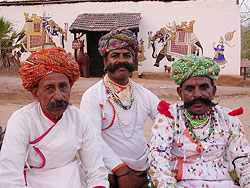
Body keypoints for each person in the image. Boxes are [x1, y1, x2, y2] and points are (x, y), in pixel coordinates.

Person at [0, 47, 108, 188]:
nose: (58, 96)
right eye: (49, 88)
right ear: (36, 93)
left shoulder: (79, 119)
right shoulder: (21, 121)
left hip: (73, 181)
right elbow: (10, 177)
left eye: (63, 86)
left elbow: (95, 170)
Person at [148, 54, 250, 188]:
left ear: (213, 91)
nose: (197, 94)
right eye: (190, 89)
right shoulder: (168, 118)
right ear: (180, 92)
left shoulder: (228, 118)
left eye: (203, 87)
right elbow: (158, 158)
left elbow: (243, 160)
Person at [80, 28, 160, 188]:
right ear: (105, 62)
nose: (121, 60)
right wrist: (121, 170)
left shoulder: (145, 94)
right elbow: (91, 139)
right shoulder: (93, 95)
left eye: (127, 56)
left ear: (133, 61)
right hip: (109, 170)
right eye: (115, 56)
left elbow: (166, 121)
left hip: (143, 167)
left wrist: (157, 155)